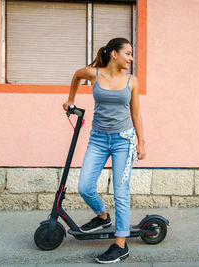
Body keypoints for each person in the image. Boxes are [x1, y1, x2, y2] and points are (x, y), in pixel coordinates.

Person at [62, 37, 146, 264]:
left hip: (123, 141)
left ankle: (120, 244)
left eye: (132, 54)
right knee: (85, 186)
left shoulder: (132, 81)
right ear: (114, 54)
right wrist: (70, 99)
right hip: (98, 139)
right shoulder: (94, 74)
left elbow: (136, 113)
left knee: (121, 192)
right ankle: (102, 216)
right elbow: (77, 76)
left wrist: (141, 141)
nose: (131, 58)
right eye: (128, 53)